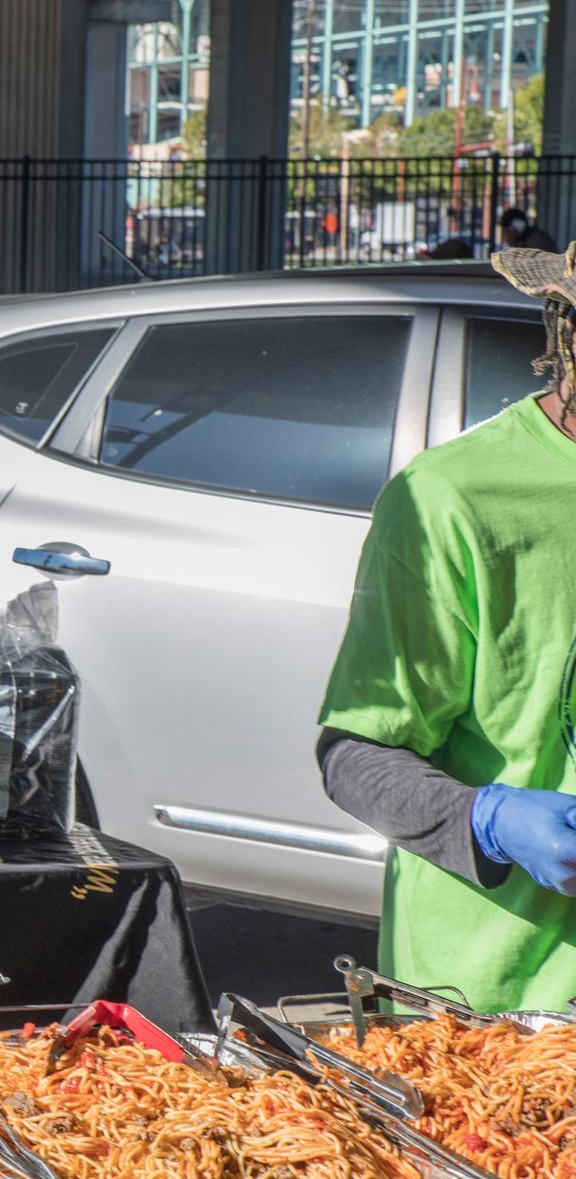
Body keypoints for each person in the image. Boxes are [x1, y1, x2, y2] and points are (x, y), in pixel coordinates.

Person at [316, 241, 576, 1012]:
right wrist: (490, 820)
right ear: (565, 331)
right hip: (490, 1016)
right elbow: (353, 755)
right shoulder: (451, 499)